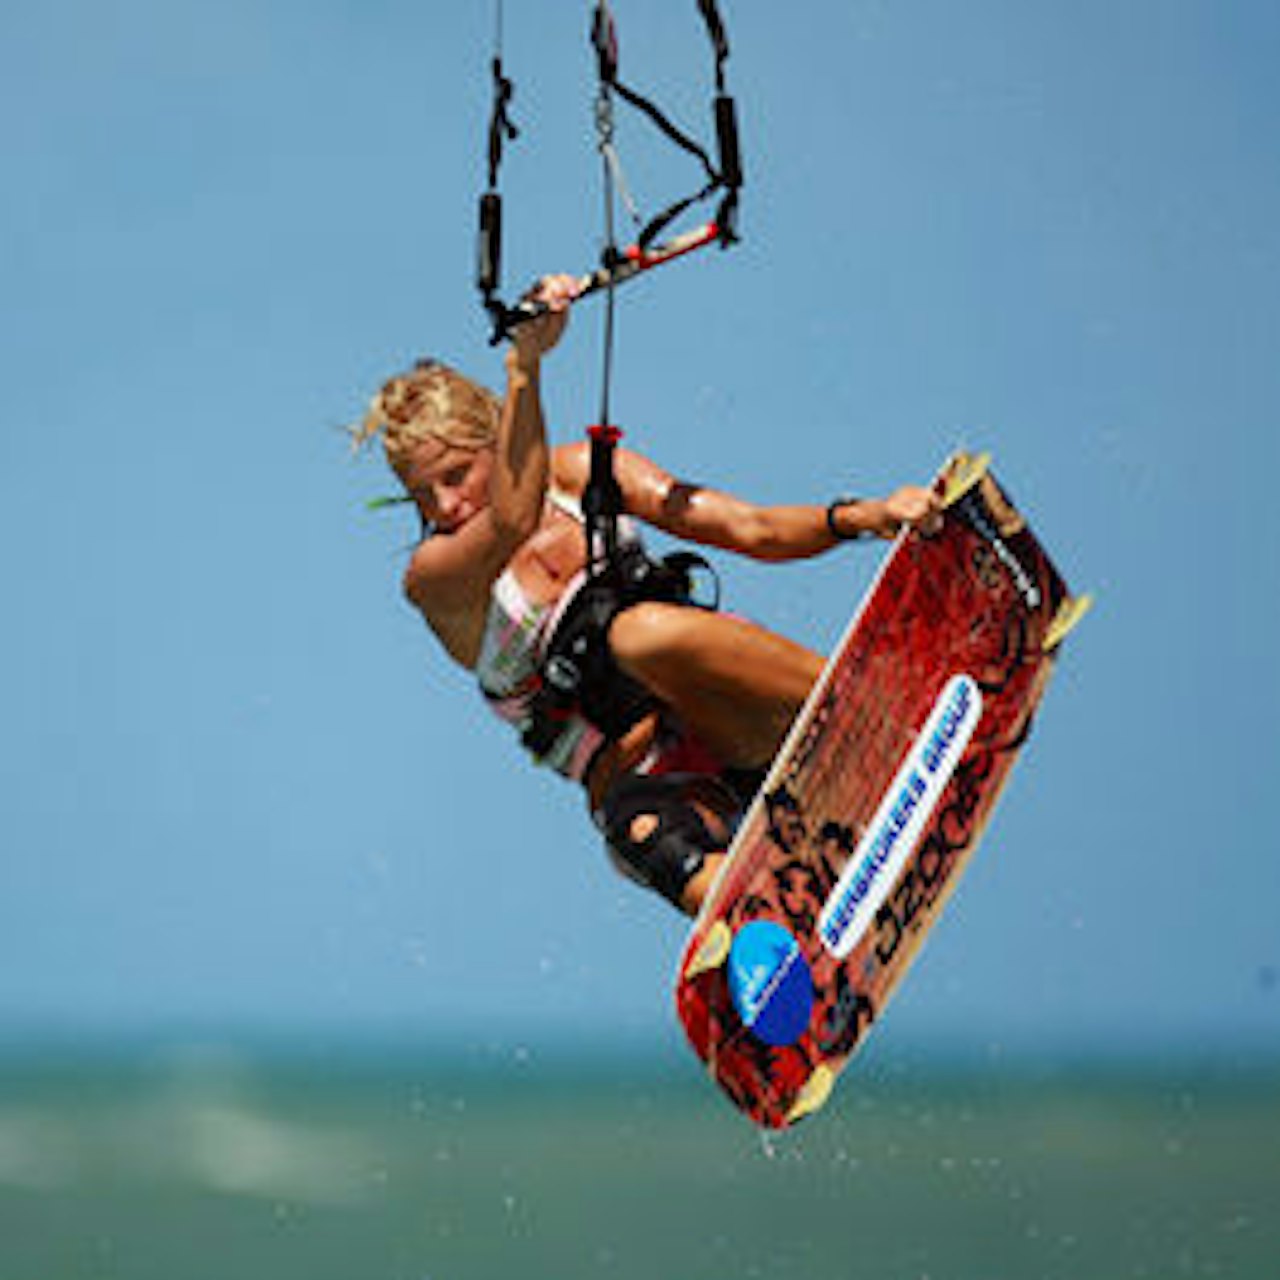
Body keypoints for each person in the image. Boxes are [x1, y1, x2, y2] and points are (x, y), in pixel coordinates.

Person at [355, 276, 942, 916]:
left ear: (497, 439)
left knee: (638, 634)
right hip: (673, 787)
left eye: (455, 475)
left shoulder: (578, 475)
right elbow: (511, 521)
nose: (443, 506)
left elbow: (749, 527)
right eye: (421, 494)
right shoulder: (435, 578)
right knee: (636, 838)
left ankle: (884, 712)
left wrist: (867, 515)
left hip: (742, 717)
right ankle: (766, 933)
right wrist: (525, 364)